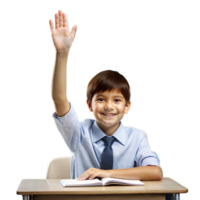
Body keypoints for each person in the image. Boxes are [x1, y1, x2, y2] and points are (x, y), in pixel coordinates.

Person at [48, 9, 165, 181]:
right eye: (101, 99)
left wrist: (107, 174)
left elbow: (155, 172)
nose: (109, 106)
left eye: (117, 100)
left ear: (128, 107)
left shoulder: (138, 137)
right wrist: (61, 53)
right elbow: (59, 100)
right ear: (88, 105)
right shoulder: (78, 133)